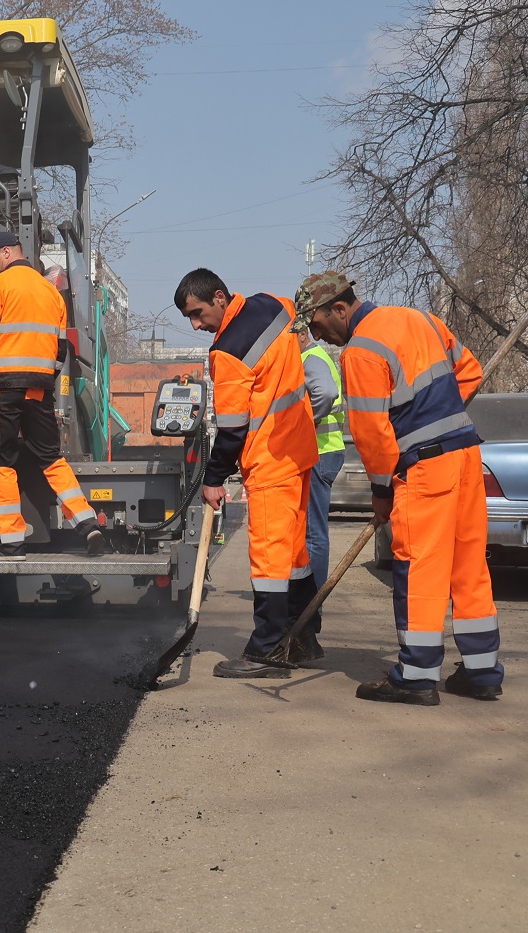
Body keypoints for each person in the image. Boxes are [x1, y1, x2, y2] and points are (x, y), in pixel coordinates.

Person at [296, 271, 503, 705]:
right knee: (469, 565)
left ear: (339, 308)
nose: (319, 336)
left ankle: (416, 676)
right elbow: (470, 370)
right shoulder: (420, 319)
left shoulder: (361, 351)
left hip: (425, 469)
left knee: (418, 568)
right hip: (465, 456)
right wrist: (438, 416)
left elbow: (373, 435)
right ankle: (482, 673)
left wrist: (381, 492)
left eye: (317, 325)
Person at [174, 268, 319, 677]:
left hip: (271, 461)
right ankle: (304, 637)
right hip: (300, 451)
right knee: (294, 556)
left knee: (271, 558)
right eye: (189, 317)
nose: (196, 325)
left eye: (198, 313)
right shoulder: (275, 306)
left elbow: (234, 426)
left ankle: (267, 651)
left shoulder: (228, 352)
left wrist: (214, 478)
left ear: (220, 297)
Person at [0, 231, 105, 559]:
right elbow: (61, 352)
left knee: (2, 461)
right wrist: (40, 382)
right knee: (51, 459)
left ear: (6, 252)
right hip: (39, 392)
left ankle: (11, 542)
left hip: (3, 391)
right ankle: (88, 523)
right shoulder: (51, 292)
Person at [299, 315, 346, 589]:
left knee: (313, 533)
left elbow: (325, 394)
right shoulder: (318, 357)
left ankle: (312, 604)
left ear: (301, 335)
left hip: (320, 451)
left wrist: (304, 424)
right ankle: (309, 602)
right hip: (325, 451)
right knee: (311, 531)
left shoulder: (310, 359)